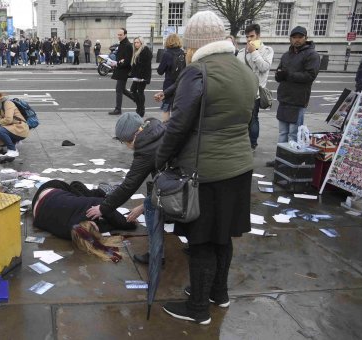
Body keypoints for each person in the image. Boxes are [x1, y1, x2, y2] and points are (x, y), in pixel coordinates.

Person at [155, 11, 257, 325]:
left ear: (196, 44)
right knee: (222, 236)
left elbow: (178, 124)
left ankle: (198, 308)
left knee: (201, 240)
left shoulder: (197, 72)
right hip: (239, 167)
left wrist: (160, 159)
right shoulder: (242, 68)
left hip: (206, 171)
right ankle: (218, 294)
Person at [85, 112, 165, 263]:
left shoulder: (145, 148)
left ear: (131, 137)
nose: (128, 146)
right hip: (186, 178)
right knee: (149, 203)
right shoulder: (155, 126)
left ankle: (156, 256)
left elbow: (129, 185)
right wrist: (145, 202)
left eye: (125, 142)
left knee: (151, 210)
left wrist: (102, 208)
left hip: (180, 186)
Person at [33, 180, 137, 240]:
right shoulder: (71, 234)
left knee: (77, 185)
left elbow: (106, 208)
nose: (98, 225)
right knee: (77, 188)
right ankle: (101, 191)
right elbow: (104, 226)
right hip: (37, 209)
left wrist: (127, 223)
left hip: (50, 188)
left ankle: (101, 191)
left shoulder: (84, 208)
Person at [272, 26, 320, 152]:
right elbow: (280, 72)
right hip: (284, 98)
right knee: (283, 132)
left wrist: (288, 74)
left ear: (306, 38)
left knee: (293, 133)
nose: (297, 40)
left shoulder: (312, 55)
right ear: (290, 39)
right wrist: (278, 75)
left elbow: (310, 75)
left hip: (298, 99)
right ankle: (280, 158)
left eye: (300, 37)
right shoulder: (286, 55)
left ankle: (290, 158)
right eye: (294, 37)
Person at [237, 24, 273, 151]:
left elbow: (264, 67)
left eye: (251, 36)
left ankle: (252, 143)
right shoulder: (241, 52)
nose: (249, 39)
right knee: (241, 118)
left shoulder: (267, 50)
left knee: (253, 118)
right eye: (247, 37)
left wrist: (254, 53)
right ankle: (242, 141)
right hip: (242, 91)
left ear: (258, 35)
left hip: (256, 92)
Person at [156, 34, 185, 121]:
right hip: (181, 83)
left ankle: (165, 127)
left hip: (169, 84)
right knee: (177, 107)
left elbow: (160, 71)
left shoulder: (167, 54)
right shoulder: (183, 53)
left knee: (166, 108)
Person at [0, 90, 29, 159]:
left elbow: (8, 119)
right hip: (13, 127)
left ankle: (12, 149)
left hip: (20, 127)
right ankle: (9, 147)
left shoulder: (7, 103)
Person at [109, 28, 134, 116]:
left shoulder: (127, 45)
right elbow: (121, 57)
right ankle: (136, 98)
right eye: (118, 35)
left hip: (124, 70)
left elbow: (127, 61)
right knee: (122, 89)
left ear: (125, 35)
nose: (119, 36)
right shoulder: (122, 44)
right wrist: (115, 62)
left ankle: (118, 109)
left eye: (121, 35)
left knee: (119, 89)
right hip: (120, 69)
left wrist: (117, 63)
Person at [125, 37, 152, 117]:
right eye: (135, 42)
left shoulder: (145, 51)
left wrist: (141, 77)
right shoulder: (137, 51)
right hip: (138, 76)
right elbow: (136, 65)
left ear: (141, 43)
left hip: (142, 76)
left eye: (137, 42)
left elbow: (145, 66)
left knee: (140, 92)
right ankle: (139, 106)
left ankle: (141, 109)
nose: (136, 44)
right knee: (133, 90)